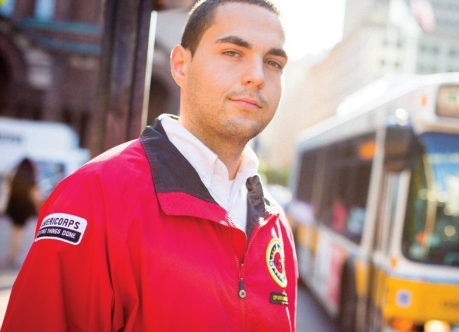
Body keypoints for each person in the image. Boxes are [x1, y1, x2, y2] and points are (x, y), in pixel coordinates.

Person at [1, 0, 297, 330]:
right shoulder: (93, 197)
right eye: (232, 52)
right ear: (181, 65)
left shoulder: (274, 224)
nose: (257, 76)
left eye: (273, 62)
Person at [4, 157, 43, 268]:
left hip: (13, 207)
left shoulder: (14, 176)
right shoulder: (31, 179)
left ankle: (12, 255)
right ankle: (14, 256)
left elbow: (7, 189)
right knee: (19, 233)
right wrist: (39, 207)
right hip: (24, 209)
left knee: (14, 231)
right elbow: (35, 196)